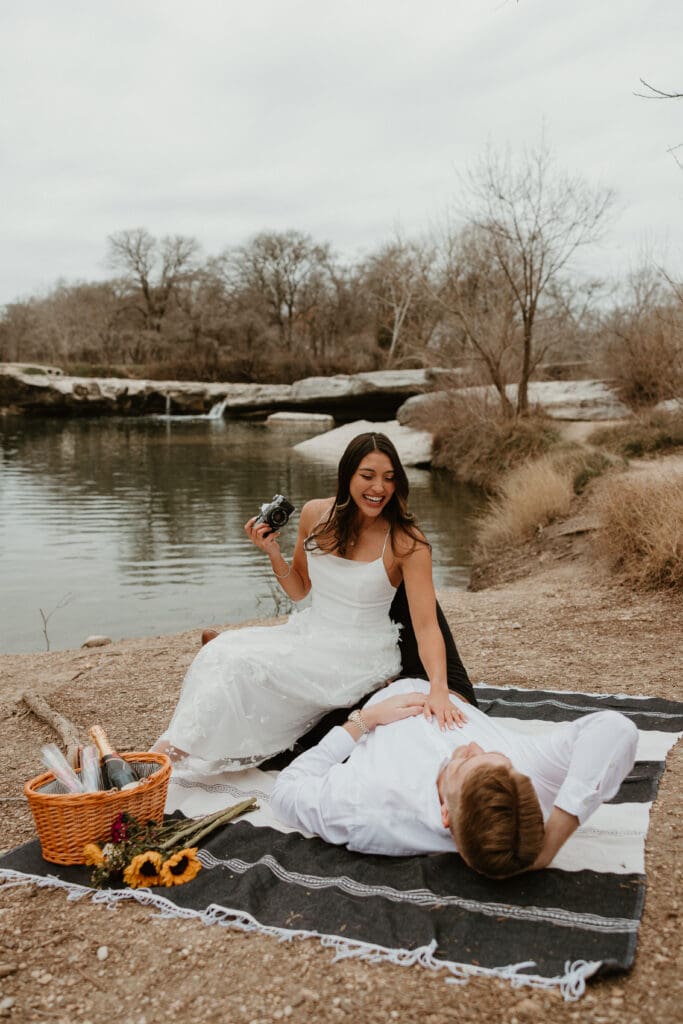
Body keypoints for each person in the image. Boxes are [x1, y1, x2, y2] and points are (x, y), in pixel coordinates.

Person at [154, 432, 471, 773]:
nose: (379, 488)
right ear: (347, 474)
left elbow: (426, 625)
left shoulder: (408, 542)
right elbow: (299, 589)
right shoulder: (314, 514)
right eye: (368, 476)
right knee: (220, 653)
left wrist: (440, 688)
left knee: (239, 665)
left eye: (389, 478)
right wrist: (273, 553)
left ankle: (161, 762)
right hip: (311, 634)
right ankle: (166, 754)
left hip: (360, 655)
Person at [270, 677, 639, 878]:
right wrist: (550, 847)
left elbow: (286, 793)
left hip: (366, 697)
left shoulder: (367, 805)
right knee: (406, 560)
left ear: (446, 814)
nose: (473, 746)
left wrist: (364, 720)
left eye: (462, 765)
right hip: (445, 684)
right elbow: (615, 729)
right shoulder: (520, 784)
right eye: (500, 763)